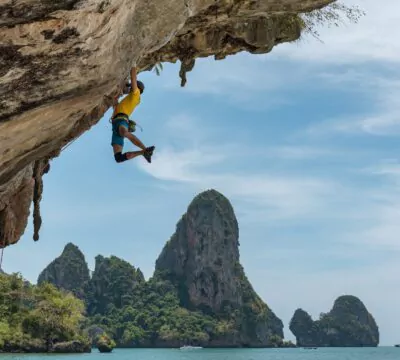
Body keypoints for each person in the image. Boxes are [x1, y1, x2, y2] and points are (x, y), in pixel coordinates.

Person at [110, 65, 155, 163]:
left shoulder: (136, 94)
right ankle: (143, 152)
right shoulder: (130, 99)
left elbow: (133, 78)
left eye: (131, 87)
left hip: (122, 120)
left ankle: (145, 149)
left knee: (125, 133)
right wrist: (114, 100)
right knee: (118, 158)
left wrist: (133, 65)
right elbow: (116, 106)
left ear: (137, 88)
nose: (130, 89)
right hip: (116, 124)